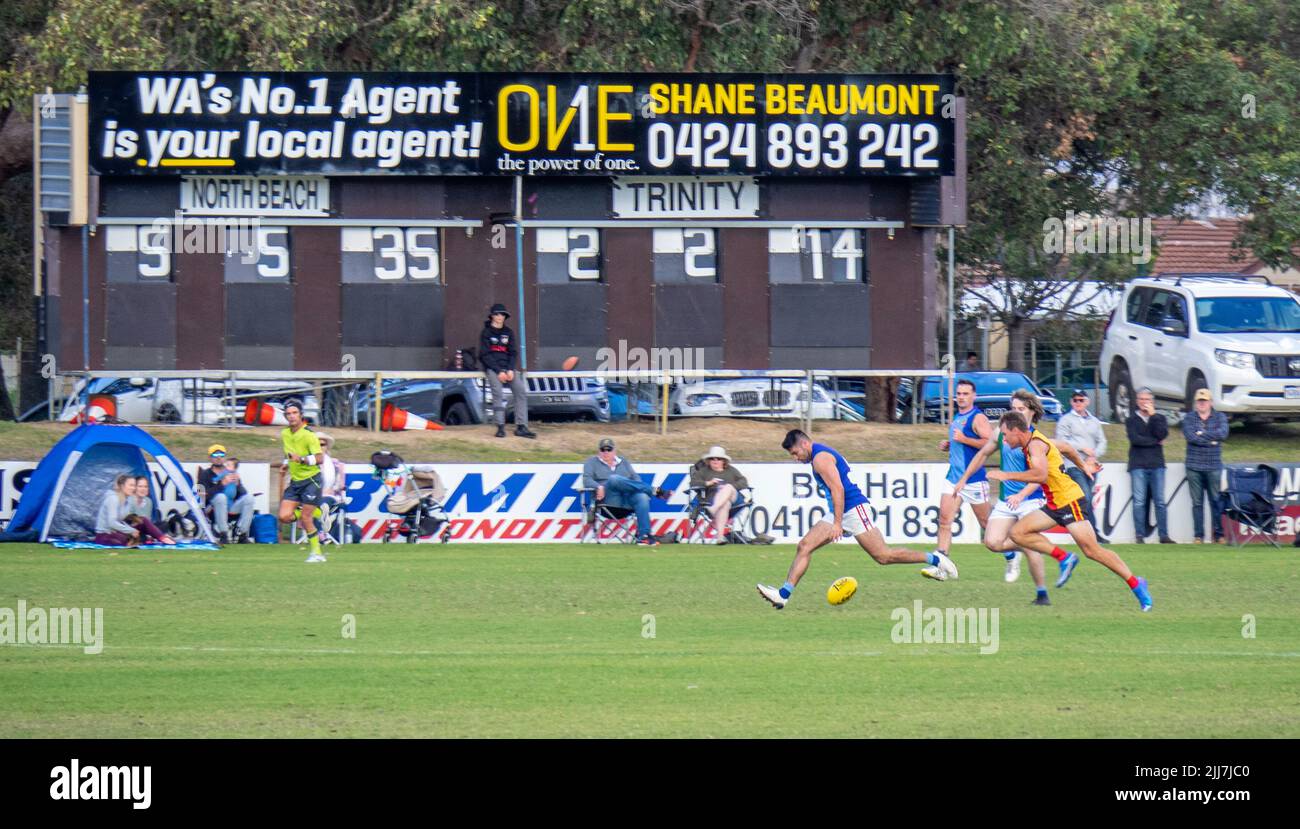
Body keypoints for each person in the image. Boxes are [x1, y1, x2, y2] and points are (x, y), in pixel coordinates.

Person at [756, 430, 957, 609]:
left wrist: (837, 523)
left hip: (853, 509)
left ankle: (937, 559)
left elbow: (838, 489)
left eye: (795, 453)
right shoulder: (818, 456)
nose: (795, 458)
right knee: (805, 546)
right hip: (841, 511)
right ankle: (783, 595)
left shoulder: (820, 459)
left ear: (804, 444)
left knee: (883, 556)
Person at [990, 411, 1152, 612]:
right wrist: (1082, 465)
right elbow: (1066, 447)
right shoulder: (1035, 440)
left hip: (1069, 501)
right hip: (1054, 504)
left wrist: (1006, 475)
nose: (1004, 440)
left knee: (1093, 551)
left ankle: (1137, 585)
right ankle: (1065, 558)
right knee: (1018, 533)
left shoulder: (1035, 445)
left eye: (1005, 435)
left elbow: (1040, 475)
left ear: (1016, 431)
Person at [949, 389, 1089, 604]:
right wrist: (963, 479)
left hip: (1031, 498)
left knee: (1028, 542)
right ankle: (1027, 547)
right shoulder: (1002, 434)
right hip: (1007, 499)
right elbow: (982, 454)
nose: (1016, 412)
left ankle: (1042, 594)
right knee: (992, 542)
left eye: (1021, 408)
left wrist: (1023, 493)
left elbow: (1042, 474)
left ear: (1032, 411)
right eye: (1013, 408)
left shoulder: (1037, 440)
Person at [926, 377, 992, 580]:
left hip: (973, 480)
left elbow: (990, 443)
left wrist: (964, 440)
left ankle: (1011, 554)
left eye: (965, 394)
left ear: (974, 396)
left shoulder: (978, 417)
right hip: (953, 478)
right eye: (959, 394)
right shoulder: (957, 417)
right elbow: (963, 446)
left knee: (986, 524)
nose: (961, 397)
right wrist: (950, 445)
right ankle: (941, 565)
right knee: (944, 520)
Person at [582, 437, 674, 546]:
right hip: (606, 501)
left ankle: (643, 537)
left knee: (642, 497)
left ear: (614, 451)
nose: (606, 452)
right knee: (613, 479)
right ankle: (654, 491)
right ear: (599, 451)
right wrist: (598, 486)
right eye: (603, 450)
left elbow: (636, 479)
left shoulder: (623, 461)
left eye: (609, 449)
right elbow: (586, 480)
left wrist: (635, 488)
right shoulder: (591, 462)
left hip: (626, 501)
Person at [1054, 388, 1109, 542]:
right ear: (1071, 402)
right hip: (1073, 464)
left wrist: (1094, 455)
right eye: (1075, 400)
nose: (1078, 402)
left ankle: (1083, 532)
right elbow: (1061, 441)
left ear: (1087, 401)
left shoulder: (1094, 421)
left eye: (1081, 400)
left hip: (1091, 465)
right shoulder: (1065, 420)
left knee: (1086, 499)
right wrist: (1081, 447)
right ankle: (1093, 533)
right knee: (1085, 496)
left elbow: (1102, 441)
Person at [278, 399, 327, 562]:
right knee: (284, 517)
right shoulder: (285, 434)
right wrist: (286, 464)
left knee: (306, 519)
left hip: (311, 480)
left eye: (295, 413)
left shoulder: (309, 435)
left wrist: (302, 460)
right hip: (296, 481)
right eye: (288, 414)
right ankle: (318, 512)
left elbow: (320, 459)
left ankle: (317, 553)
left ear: (301, 415)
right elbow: (289, 454)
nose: (291, 417)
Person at [481, 302, 536, 439]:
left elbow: (513, 353)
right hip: (493, 369)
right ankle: (500, 426)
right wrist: (499, 371)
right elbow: (484, 355)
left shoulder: (509, 332)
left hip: (508, 368)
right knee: (497, 393)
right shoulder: (486, 333)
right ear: (492, 316)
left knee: (520, 391)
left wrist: (510, 369)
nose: (500, 317)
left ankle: (521, 426)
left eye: (502, 314)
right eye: (497, 314)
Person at [1126, 388, 1173, 543]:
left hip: (1157, 464)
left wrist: (1153, 415)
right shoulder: (1131, 420)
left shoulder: (1159, 418)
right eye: (1141, 399)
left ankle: (1163, 535)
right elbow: (1135, 440)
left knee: (1160, 501)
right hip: (1138, 464)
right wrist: (1154, 442)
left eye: (1147, 399)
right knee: (1139, 501)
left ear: (1152, 402)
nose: (1144, 402)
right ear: (1137, 400)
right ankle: (1139, 535)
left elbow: (1162, 434)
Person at [1182, 388, 1228, 544]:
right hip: (1194, 466)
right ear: (1196, 403)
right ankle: (1198, 535)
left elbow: (1223, 434)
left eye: (1205, 401)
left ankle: (1219, 535)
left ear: (1211, 402)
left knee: (1215, 501)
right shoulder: (1189, 418)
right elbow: (1190, 437)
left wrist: (1200, 434)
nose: (1202, 404)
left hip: (1214, 466)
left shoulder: (1220, 417)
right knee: (1197, 503)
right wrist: (1211, 440)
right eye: (1199, 401)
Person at [689, 446, 749, 545]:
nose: (715, 460)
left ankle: (714, 508)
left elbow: (744, 482)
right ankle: (720, 538)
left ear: (724, 461)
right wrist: (708, 483)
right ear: (708, 460)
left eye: (719, 458)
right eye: (712, 458)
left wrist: (729, 488)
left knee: (728, 487)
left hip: (734, 502)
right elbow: (693, 484)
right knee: (725, 504)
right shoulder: (703, 471)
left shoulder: (731, 470)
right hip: (713, 500)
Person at [197, 444, 255, 544]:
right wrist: (222, 484)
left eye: (221, 454)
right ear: (210, 458)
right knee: (220, 497)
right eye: (215, 455)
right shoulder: (205, 474)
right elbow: (202, 496)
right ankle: (224, 534)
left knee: (249, 498)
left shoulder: (231, 472)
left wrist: (237, 485)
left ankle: (242, 534)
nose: (219, 457)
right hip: (212, 507)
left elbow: (242, 494)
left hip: (231, 506)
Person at [95, 475, 174, 546]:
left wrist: (132, 530)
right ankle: (143, 539)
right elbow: (112, 523)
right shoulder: (113, 499)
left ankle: (162, 537)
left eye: (134, 485)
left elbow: (123, 521)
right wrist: (131, 530)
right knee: (124, 540)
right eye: (131, 485)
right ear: (122, 486)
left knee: (143, 520)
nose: (133, 488)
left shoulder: (127, 500)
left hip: (119, 531)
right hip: (106, 534)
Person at [316, 433, 350, 543]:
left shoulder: (335, 464)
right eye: (316, 444)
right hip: (310, 495)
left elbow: (340, 485)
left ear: (326, 447)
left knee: (322, 502)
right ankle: (321, 531)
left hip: (329, 496)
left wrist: (337, 488)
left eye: (322, 444)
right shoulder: (306, 462)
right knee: (312, 502)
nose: (319, 447)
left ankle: (321, 533)